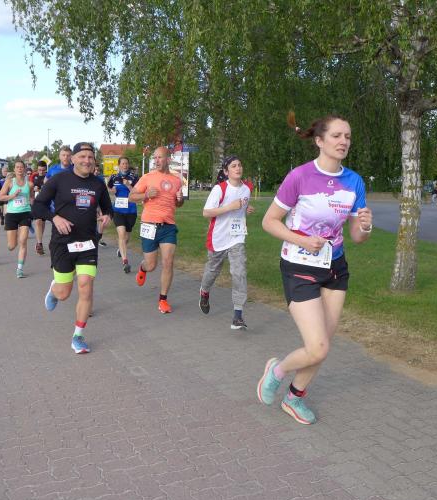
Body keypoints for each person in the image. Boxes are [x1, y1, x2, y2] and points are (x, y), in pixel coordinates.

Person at [256, 112, 373, 425]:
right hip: (299, 265)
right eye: (336, 136)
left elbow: (357, 237)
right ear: (319, 141)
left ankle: (294, 398)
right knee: (317, 347)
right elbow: (269, 221)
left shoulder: (354, 181)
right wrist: (302, 240)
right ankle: (277, 370)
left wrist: (365, 227)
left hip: (335, 267)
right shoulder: (300, 176)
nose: (343, 141)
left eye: (347, 136)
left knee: (323, 346)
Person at [31, 142, 112, 354]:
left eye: (90, 157)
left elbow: (107, 208)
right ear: (73, 159)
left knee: (86, 285)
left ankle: (78, 336)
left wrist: (107, 216)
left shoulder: (98, 184)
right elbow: (37, 205)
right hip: (63, 243)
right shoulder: (59, 179)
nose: (87, 160)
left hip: (88, 243)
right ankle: (54, 289)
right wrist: (55, 218)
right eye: (82, 156)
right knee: (64, 293)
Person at [198, 155, 255, 329]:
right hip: (218, 237)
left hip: (237, 237)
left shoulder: (247, 188)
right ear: (226, 171)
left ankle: (238, 315)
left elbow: (241, 205)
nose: (238, 168)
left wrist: (246, 208)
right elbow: (206, 212)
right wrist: (230, 207)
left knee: (239, 272)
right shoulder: (219, 189)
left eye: (239, 165)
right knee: (212, 270)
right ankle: (204, 291)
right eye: (233, 166)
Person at [128, 146, 184, 313]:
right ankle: (143, 268)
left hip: (168, 226)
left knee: (168, 262)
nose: (156, 160)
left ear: (168, 159)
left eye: (160, 157)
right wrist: (146, 195)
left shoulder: (176, 180)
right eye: (155, 158)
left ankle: (163, 299)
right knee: (151, 265)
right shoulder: (147, 177)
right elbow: (131, 197)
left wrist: (180, 199)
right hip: (149, 225)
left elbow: (178, 203)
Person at [0, 162, 33, 278]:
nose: (19, 169)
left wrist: (35, 205)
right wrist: (12, 196)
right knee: (12, 246)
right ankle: (14, 237)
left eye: (21, 167)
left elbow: (31, 198)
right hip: (12, 215)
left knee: (23, 241)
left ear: (25, 169)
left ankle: (20, 269)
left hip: (25, 213)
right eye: (17, 167)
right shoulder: (9, 182)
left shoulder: (29, 184)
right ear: (14, 169)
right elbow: (0, 197)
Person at [107, 156, 139, 273]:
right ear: (119, 165)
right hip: (118, 210)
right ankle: (125, 262)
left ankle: (121, 249)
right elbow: (108, 188)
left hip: (131, 210)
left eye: (126, 163)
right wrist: (112, 191)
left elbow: (138, 192)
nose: (125, 165)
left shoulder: (134, 177)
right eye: (123, 163)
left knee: (126, 237)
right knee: (121, 234)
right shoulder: (114, 177)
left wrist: (128, 186)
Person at [31, 160, 49, 255]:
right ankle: (39, 243)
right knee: (38, 222)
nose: (41, 172)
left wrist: (41, 189)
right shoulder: (34, 177)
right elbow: (30, 188)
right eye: (39, 170)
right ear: (37, 169)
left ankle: (39, 240)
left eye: (43, 170)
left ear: (46, 169)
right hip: (36, 202)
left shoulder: (48, 177)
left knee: (42, 223)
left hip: (46, 203)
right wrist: (33, 190)